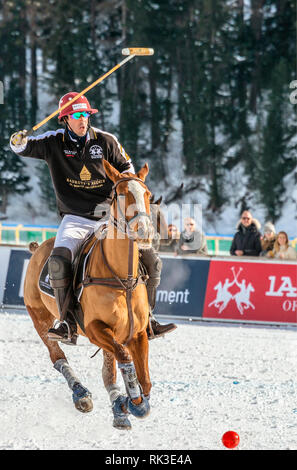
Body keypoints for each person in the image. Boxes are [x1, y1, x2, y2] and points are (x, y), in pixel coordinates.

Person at [10, 92, 176, 344]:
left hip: (107, 219)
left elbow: (128, 170)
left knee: (152, 260)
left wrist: (124, 187)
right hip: (75, 219)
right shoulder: (53, 141)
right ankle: (66, 321)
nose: (82, 120)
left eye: (86, 114)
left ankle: (148, 318)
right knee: (58, 260)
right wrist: (17, 140)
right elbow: (23, 147)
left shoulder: (106, 141)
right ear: (65, 118)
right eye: (77, 115)